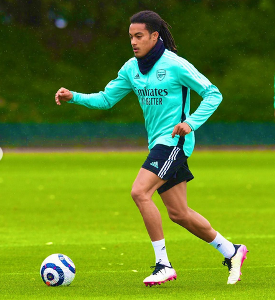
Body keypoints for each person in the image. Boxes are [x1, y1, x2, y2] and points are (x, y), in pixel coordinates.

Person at [55, 10, 248, 287]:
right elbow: (106, 99)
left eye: (139, 36)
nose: (133, 42)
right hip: (158, 144)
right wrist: (74, 97)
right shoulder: (131, 69)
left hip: (173, 143)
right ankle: (232, 251)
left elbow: (212, 93)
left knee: (139, 191)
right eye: (131, 37)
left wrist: (190, 123)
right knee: (179, 213)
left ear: (154, 36)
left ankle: (163, 264)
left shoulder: (175, 65)